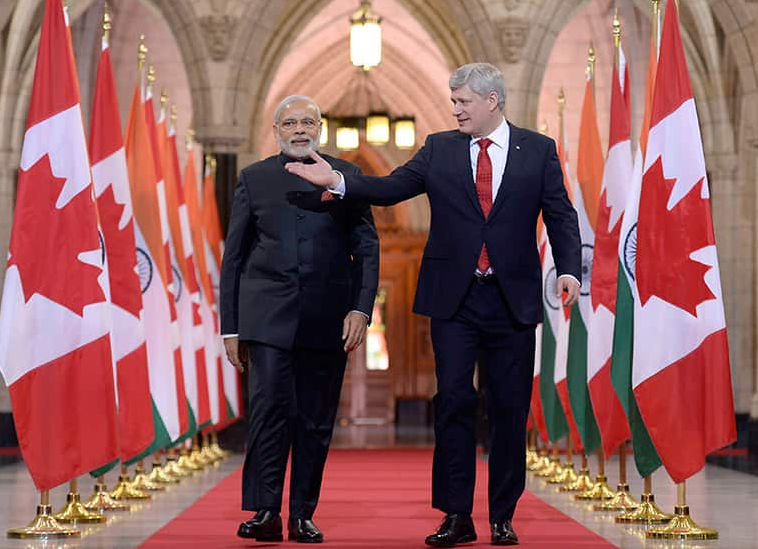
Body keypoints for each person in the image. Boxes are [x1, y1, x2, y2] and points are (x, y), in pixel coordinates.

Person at [285, 63, 581, 547]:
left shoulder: (539, 151)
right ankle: (456, 516)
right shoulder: (440, 149)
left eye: (463, 101)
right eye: (453, 101)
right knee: (454, 402)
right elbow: (389, 188)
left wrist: (568, 268)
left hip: (512, 301)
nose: (455, 109)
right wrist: (336, 179)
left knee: (507, 410)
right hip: (454, 300)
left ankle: (503, 515)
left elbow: (561, 215)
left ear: (492, 101)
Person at [220, 95, 380, 544]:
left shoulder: (345, 176)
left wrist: (361, 308)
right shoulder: (253, 179)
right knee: (269, 409)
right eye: (289, 122)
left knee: (314, 418)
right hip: (266, 318)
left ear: (320, 128)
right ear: (276, 131)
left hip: (328, 317)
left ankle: (302, 514)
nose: (298, 129)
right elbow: (233, 257)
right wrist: (230, 327)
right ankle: (266, 511)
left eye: (307, 122)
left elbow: (367, 247)